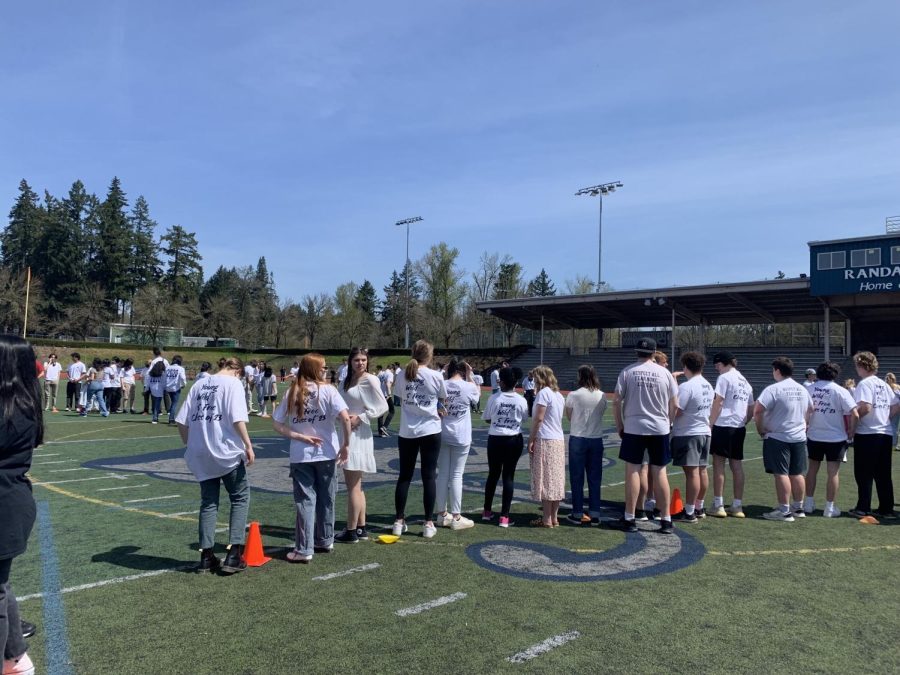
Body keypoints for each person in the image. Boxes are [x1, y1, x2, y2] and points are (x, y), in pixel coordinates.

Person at [175, 356, 254, 574]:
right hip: (224, 450)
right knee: (239, 497)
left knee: (208, 503)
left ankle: (207, 555)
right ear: (237, 370)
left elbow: (181, 421)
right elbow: (238, 418)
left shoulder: (199, 384)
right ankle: (233, 552)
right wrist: (248, 444)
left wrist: (190, 444)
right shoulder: (233, 384)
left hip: (201, 452)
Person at [273, 354, 351, 563]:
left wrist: (299, 436)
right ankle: (324, 539)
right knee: (327, 497)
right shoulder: (328, 391)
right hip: (327, 453)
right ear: (314, 369)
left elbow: (277, 424)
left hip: (302, 454)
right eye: (323, 367)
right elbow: (345, 418)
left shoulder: (293, 391)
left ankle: (306, 547)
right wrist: (346, 445)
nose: (326, 370)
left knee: (306, 501)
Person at [0, 335, 42, 675]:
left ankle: (13, 658)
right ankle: (16, 657)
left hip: (6, 508)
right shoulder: (21, 403)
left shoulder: (15, 411)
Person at [609, 338, 678, 533]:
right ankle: (665, 518)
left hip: (634, 427)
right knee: (660, 471)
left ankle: (630, 518)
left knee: (633, 470)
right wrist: (669, 423)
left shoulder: (628, 371)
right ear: (654, 352)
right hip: (660, 427)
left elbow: (616, 401)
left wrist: (620, 425)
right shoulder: (665, 373)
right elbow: (675, 404)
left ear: (636, 352)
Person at [392, 340, 447, 539]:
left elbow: (400, 397)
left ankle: (398, 520)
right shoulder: (435, 375)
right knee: (429, 476)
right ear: (430, 356)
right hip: (431, 430)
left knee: (404, 476)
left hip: (408, 431)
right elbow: (442, 398)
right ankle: (428, 522)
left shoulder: (401, 374)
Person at [334, 348, 388, 544]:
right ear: (350, 361)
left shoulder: (370, 379)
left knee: (353, 486)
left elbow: (383, 406)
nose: (360, 363)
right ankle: (360, 528)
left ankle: (350, 530)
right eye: (357, 360)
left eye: (363, 360)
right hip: (346, 430)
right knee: (357, 485)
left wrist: (362, 417)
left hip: (358, 433)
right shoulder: (346, 379)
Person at [753, 357, 813, 522]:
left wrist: (760, 429)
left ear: (777, 370)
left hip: (779, 436)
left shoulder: (773, 389)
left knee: (781, 473)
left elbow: (758, 411)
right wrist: (805, 424)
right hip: (799, 436)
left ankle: (784, 510)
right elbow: (811, 408)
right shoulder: (802, 389)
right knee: (798, 473)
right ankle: (798, 507)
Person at [804, 361, 858, 518]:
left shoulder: (809, 389)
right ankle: (829, 508)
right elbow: (854, 413)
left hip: (814, 435)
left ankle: (808, 504)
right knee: (833, 473)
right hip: (836, 437)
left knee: (812, 469)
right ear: (836, 374)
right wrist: (851, 431)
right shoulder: (840, 391)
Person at [850, 352, 899, 518]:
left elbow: (865, 407)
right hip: (885, 433)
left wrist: (853, 424)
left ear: (861, 365)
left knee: (863, 472)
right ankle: (887, 508)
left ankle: (863, 507)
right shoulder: (883, 384)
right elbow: (895, 406)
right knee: (883, 473)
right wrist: (884, 417)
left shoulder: (865, 384)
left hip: (868, 433)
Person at [435, 358, 480, 531]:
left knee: (443, 474)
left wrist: (442, 372)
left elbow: (435, 385)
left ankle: (441, 514)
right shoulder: (467, 386)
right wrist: (470, 375)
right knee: (456, 475)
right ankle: (456, 516)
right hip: (461, 435)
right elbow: (477, 397)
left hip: (442, 433)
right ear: (461, 371)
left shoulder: (442, 384)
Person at [708, 351, 754, 518]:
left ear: (724, 363)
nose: (717, 369)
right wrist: (744, 422)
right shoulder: (745, 381)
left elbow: (718, 402)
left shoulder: (724, 378)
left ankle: (718, 504)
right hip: (739, 426)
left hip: (723, 424)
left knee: (718, 464)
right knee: (737, 465)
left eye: (717, 365)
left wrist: (710, 423)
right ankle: (737, 505)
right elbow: (751, 408)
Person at [669, 352, 713, 524]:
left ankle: (689, 512)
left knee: (692, 473)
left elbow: (678, 410)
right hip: (704, 431)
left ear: (685, 367)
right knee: (702, 470)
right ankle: (698, 506)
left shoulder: (688, 386)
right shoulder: (708, 385)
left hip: (689, 432)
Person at [482, 367, 528, 527]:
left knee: (493, 474)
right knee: (508, 476)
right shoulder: (521, 399)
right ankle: (504, 517)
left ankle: (487, 512)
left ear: (501, 381)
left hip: (495, 438)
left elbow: (487, 418)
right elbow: (524, 418)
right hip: (513, 439)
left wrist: (498, 420)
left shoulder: (494, 398)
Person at [564, 365, 607, 525]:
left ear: (580, 376)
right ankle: (595, 513)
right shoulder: (601, 395)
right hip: (596, 438)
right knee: (595, 477)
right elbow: (602, 413)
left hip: (578, 437)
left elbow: (569, 415)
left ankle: (577, 512)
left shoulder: (574, 395)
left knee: (577, 477)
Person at [528, 365, 566, 528]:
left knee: (546, 479)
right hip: (558, 439)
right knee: (556, 479)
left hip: (546, 439)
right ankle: (554, 517)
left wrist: (531, 438)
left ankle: (546, 518)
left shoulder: (543, 394)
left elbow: (539, 418)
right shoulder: (558, 394)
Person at [164, 356, 187, 425]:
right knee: (174, 403)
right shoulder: (180, 368)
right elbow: (183, 378)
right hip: (175, 388)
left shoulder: (167, 368)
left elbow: (164, 377)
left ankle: (172, 417)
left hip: (168, 387)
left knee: (173, 403)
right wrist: (184, 384)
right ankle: (171, 419)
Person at [145, 358, 167, 424]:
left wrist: (146, 389)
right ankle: (154, 418)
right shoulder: (162, 374)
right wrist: (166, 389)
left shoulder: (151, 373)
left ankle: (155, 417)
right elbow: (164, 383)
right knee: (157, 404)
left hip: (152, 390)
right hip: (159, 390)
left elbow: (148, 382)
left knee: (155, 404)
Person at [377, 364, 394, 437]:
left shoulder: (382, 374)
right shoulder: (390, 374)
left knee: (381, 413)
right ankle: (384, 427)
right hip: (386, 395)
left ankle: (380, 431)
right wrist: (389, 394)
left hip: (380, 394)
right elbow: (388, 384)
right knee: (392, 411)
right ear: (392, 369)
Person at [885, 372, 900, 450]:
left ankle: (893, 442)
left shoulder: (893, 387)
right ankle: (895, 443)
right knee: (895, 426)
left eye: (887, 379)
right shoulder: (897, 386)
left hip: (896, 408)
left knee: (893, 425)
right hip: (896, 407)